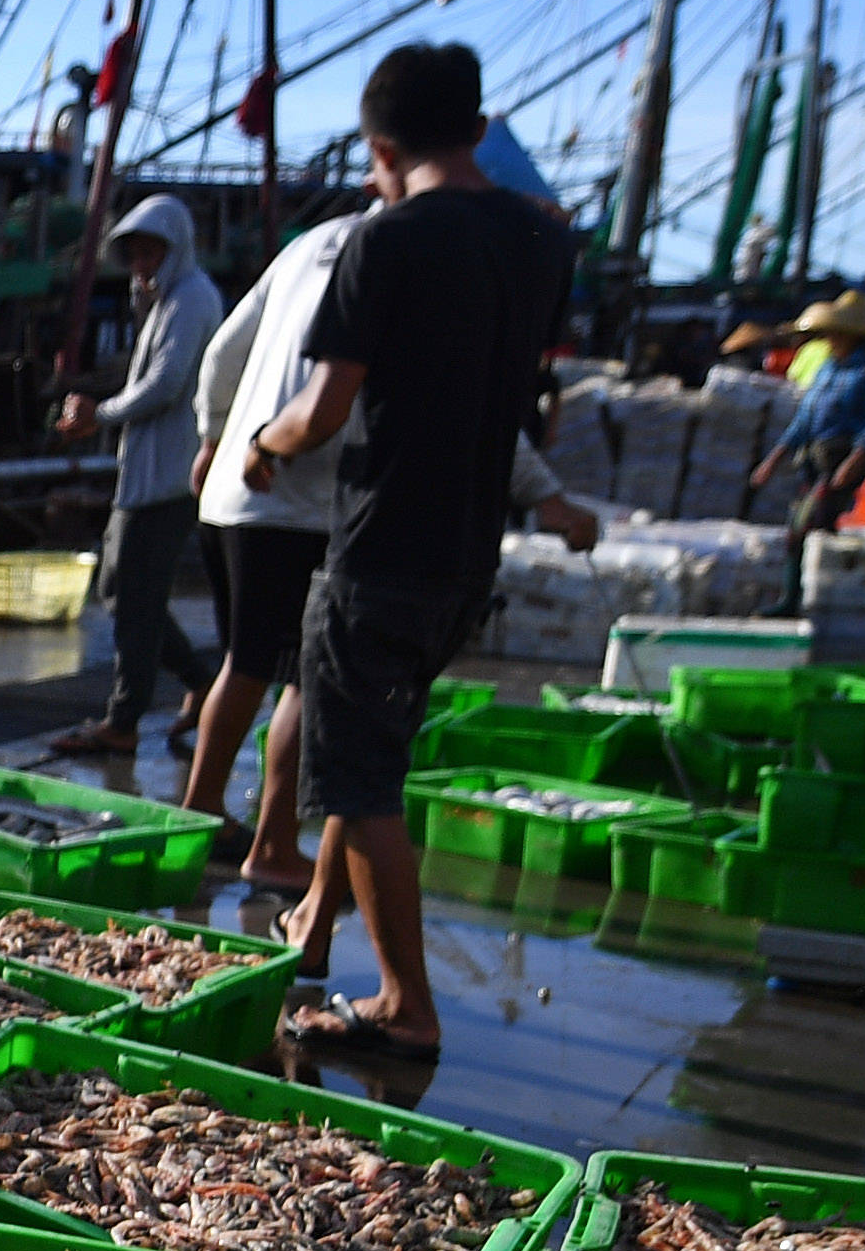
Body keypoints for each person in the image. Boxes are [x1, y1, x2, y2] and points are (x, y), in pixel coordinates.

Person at [241, 41, 578, 1056]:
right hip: (470, 550)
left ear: (379, 147)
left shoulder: (383, 243)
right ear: (478, 130)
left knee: (358, 776)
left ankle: (404, 1003)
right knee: (366, 753)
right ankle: (312, 923)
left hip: (381, 538)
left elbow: (326, 406)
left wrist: (264, 444)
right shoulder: (542, 241)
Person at [191, 203, 594, 888]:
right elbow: (448, 403)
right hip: (313, 499)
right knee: (302, 679)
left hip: (238, 489)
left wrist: (215, 438)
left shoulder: (310, 242)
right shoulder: (418, 260)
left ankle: (200, 815)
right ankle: (273, 844)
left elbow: (226, 350)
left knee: (246, 662)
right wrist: (547, 496)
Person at [52, 196, 220, 763]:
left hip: (169, 479)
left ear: (176, 248)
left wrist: (98, 414)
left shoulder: (192, 299)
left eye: (153, 251)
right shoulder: (166, 301)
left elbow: (166, 386)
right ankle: (200, 679)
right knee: (124, 592)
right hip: (147, 475)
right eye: (136, 254)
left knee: (133, 598)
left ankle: (124, 719)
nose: (143, 263)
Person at [746, 290, 865, 535]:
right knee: (799, 522)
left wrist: (854, 461)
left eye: (837, 334)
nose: (830, 340)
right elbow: (806, 417)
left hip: (843, 457)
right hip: (815, 456)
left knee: (820, 521)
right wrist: (773, 459)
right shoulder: (828, 368)